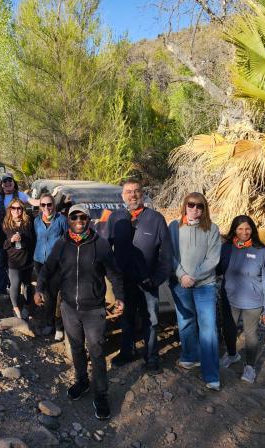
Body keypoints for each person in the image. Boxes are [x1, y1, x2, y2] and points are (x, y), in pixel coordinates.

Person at [35, 205, 124, 420]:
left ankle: (100, 394)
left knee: (97, 351)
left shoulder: (100, 245)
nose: (78, 220)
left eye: (82, 217)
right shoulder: (62, 243)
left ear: (88, 220)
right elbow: (47, 268)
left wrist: (120, 296)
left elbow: (114, 273)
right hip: (69, 307)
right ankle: (82, 380)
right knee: (76, 347)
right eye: (74, 216)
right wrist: (39, 288)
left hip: (94, 309)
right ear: (69, 219)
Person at [109, 179, 172, 372]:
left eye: (136, 191)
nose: (133, 195)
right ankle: (127, 352)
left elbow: (167, 254)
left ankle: (151, 357)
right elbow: (105, 248)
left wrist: (156, 279)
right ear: (122, 196)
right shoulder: (115, 218)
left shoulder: (156, 219)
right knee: (127, 318)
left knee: (151, 320)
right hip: (124, 281)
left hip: (148, 282)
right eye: (128, 192)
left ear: (143, 194)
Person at [169, 192, 221, 390]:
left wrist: (194, 277)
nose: (195, 209)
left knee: (208, 329)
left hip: (204, 285)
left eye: (200, 206)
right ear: (185, 206)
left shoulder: (212, 229)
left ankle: (211, 375)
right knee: (186, 322)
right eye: (191, 205)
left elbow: (213, 259)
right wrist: (182, 275)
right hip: (180, 283)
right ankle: (190, 357)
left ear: (204, 208)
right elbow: (169, 254)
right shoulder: (174, 227)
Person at [218, 215, 265, 383]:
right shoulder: (226, 247)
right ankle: (232, 355)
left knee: (250, 334)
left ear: (253, 230)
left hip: (253, 301)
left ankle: (249, 366)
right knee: (228, 330)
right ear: (234, 230)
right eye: (240, 228)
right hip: (229, 297)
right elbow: (218, 268)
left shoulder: (262, 251)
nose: (244, 232)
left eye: (247, 229)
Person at [0, 173, 39, 305]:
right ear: (1, 184)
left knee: (20, 257)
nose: (7, 184)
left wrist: (50, 197)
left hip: (17, 229)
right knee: (0, 260)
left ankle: (20, 292)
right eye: (4, 181)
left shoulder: (20, 195)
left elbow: (33, 202)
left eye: (10, 181)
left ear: (13, 182)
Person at [33, 193, 68, 340]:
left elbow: (68, 239)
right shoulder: (36, 221)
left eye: (49, 204)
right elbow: (36, 238)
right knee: (46, 294)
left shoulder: (61, 220)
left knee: (56, 294)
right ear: (40, 206)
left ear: (54, 205)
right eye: (43, 205)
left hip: (56, 263)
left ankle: (59, 326)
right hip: (40, 260)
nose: (46, 208)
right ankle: (49, 323)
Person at [3, 199, 36, 319]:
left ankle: (27, 306)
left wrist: (24, 239)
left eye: (19, 208)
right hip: (13, 260)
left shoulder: (29, 222)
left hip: (27, 259)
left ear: (23, 210)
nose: (16, 211)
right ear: (10, 210)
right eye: (14, 208)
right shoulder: (6, 223)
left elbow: (34, 240)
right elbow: (3, 245)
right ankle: (15, 307)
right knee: (15, 284)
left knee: (27, 284)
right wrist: (11, 240)